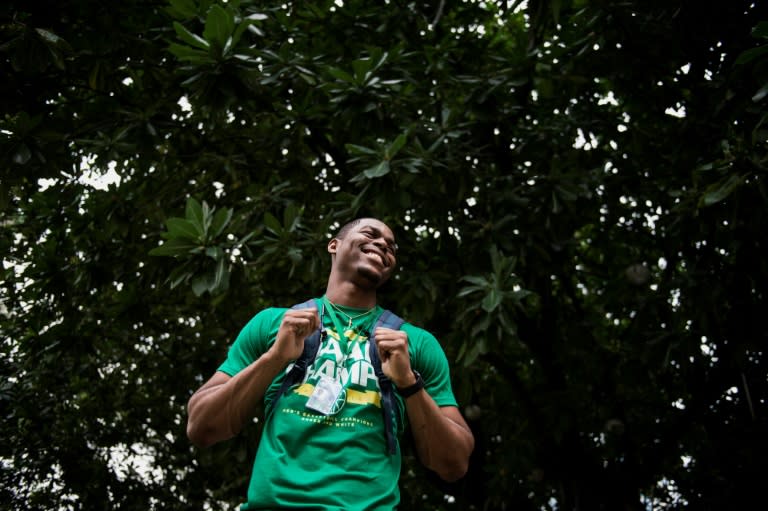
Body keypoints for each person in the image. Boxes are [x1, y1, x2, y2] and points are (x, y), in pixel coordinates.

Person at [186, 217, 475, 510]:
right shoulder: (272, 324)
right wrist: (274, 359)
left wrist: (410, 385)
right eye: (370, 234)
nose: (383, 245)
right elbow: (202, 427)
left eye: (391, 246)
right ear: (334, 245)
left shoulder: (416, 343)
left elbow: (454, 464)